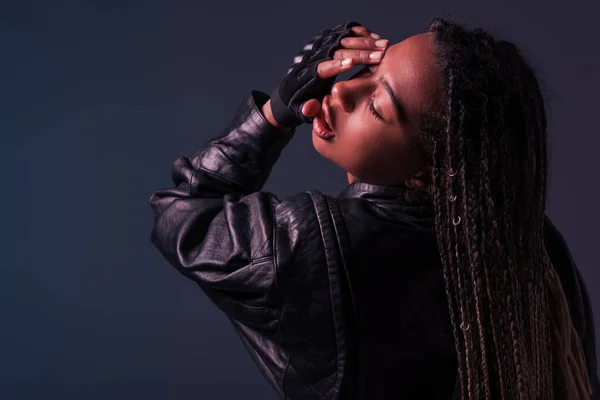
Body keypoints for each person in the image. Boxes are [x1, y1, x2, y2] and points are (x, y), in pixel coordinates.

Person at [149, 18, 600, 399]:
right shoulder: (534, 247)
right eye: (367, 70)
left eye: (378, 106)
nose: (343, 92)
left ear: (426, 174)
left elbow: (182, 209)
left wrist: (273, 114)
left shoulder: (309, 245)